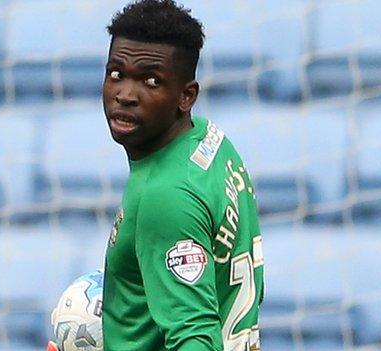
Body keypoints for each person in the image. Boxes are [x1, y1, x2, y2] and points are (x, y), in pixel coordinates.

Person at [102, 0, 264, 350]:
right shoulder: (211, 142)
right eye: (116, 73)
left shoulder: (166, 196)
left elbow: (195, 338)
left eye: (151, 80)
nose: (125, 95)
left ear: (186, 96)